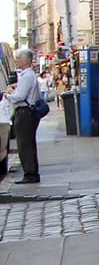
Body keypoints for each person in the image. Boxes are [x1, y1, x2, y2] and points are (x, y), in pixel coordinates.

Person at [5, 49, 41, 183]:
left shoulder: (27, 76)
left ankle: (30, 174)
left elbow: (20, 96)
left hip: (24, 112)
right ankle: (30, 172)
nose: (17, 61)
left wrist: (7, 96)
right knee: (27, 143)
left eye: (19, 59)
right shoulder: (28, 75)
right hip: (26, 112)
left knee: (24, 144)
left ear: (25, 61)